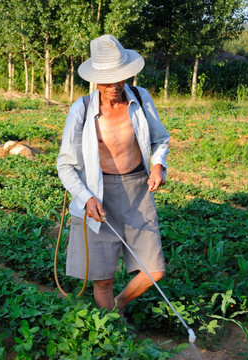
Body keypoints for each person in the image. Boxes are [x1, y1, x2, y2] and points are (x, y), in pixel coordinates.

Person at [57, 35, 169, 317]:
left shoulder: (141, 99)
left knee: (154, 270)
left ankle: (116, 307)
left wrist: (158, 165)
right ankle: (112, 333)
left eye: (119, 78)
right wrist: (85, 198)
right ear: (95, 79)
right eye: (106, 80)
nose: (114, 86)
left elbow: (161, 140)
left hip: (137, 191)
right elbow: (65, 164)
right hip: (99, 194)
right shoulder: (82, 109)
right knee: (103, 278)